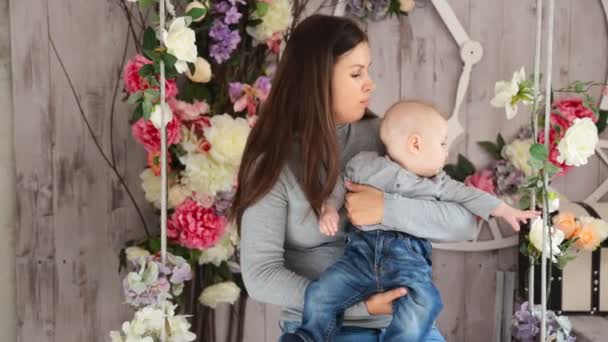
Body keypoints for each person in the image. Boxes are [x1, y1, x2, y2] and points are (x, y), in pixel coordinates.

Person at [231, 14, 482, 342]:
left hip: (408, 328)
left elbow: (465, 223)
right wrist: (361, 307)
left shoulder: (387, 140)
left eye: (368, 70)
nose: (370, 83)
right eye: (355, 73)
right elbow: (261, 275)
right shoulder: (273, 163)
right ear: (316, 80)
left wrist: (386, 210)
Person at [279, 101, 539, 341]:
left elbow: (468, 196)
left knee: (425, 302)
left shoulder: (438, 183)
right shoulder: (366, 164)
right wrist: (330, 209)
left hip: (407, 266)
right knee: (322, 292)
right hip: (359, 259)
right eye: (442, 144)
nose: (446, 153)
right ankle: (308, 336)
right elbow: (340, 184)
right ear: (416, 144)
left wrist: (503, 209)